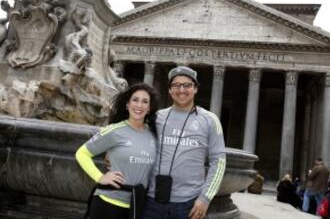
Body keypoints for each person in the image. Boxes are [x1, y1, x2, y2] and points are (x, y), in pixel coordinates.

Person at [142, 66, 226, 219]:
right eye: (176, 85)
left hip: (189, 204)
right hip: (153, 201)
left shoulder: (210, 120)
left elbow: (219, 162)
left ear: (195, 89)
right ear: (169, 90)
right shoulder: (156, 117)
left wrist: (205, 198)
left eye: (187, 85)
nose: (181, 90)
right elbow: (138, 143)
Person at [75, 83, 159, 219]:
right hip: (108, 204)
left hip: (137, 206)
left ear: (149, 108)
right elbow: (82, 153)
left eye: (145, 102)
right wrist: (100, 177)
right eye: (135, 100)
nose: (139, 105)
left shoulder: (153, 135)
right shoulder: (114, 131)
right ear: (127, 104)